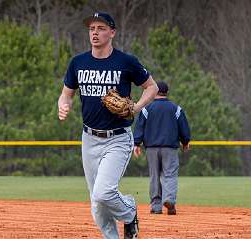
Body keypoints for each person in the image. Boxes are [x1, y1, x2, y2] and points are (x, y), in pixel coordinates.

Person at [58, 12, 158, 239]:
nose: (95, 32)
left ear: (112, 33)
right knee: (97, 204)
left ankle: (130, 211)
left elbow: (151, 87)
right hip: (89, 139)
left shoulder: (126, 62)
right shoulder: (78, 62)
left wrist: (136, 107)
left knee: (103, 193)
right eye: (92, 28)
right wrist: (63, 105)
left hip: (117, 138)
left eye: (101, 28)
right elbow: (66, 94)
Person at [133, 81, 191, 215]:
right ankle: (169, 200)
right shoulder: (176, 108)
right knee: (169, 174)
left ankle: (156, 206)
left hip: (151, 148)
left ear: (155, 92)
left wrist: (137, 143)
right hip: (170, 148)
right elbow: (183, 127)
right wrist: (185, 141)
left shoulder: (147, 109)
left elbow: (140, 126)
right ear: (167, 92)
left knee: (154, 176)